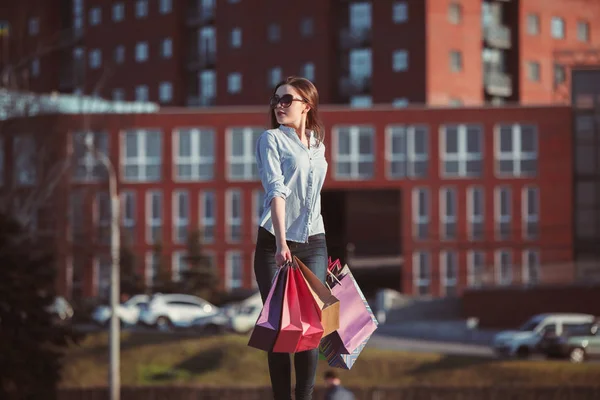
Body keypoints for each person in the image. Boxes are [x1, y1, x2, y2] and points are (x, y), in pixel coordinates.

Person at [253, 76, 328, 400]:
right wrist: (283, 242)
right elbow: (277, 190)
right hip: (274, 243)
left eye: (287, 100)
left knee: (311, 326)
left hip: (313, 241)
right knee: (281, 328)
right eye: (276, 100)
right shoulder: (271, 140)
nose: (279, 105)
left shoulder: (318, 144)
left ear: (306, 106)